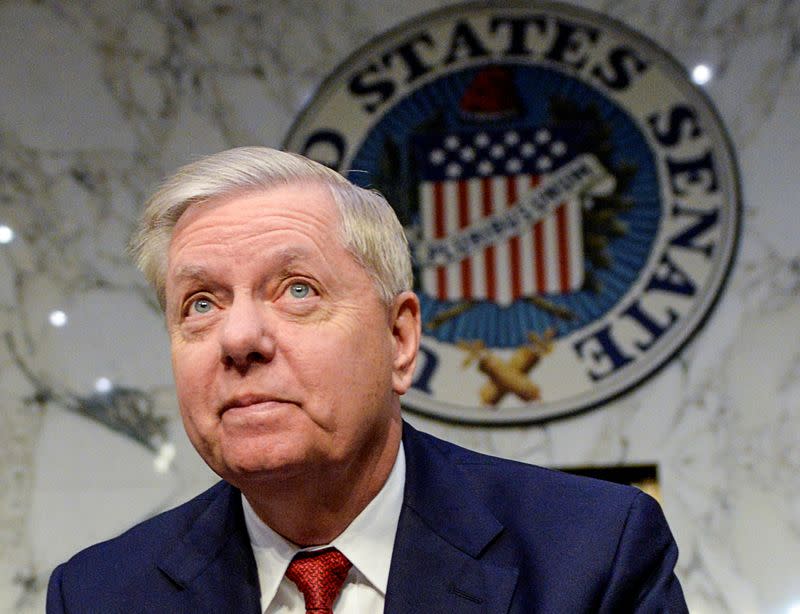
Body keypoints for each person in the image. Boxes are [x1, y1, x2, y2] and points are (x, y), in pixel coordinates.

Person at [47, 147, 688, 613]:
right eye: (201, 304)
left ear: (399, 340)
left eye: (297, 290)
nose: (238, 339)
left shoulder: (593, 557)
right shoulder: (100, 595)